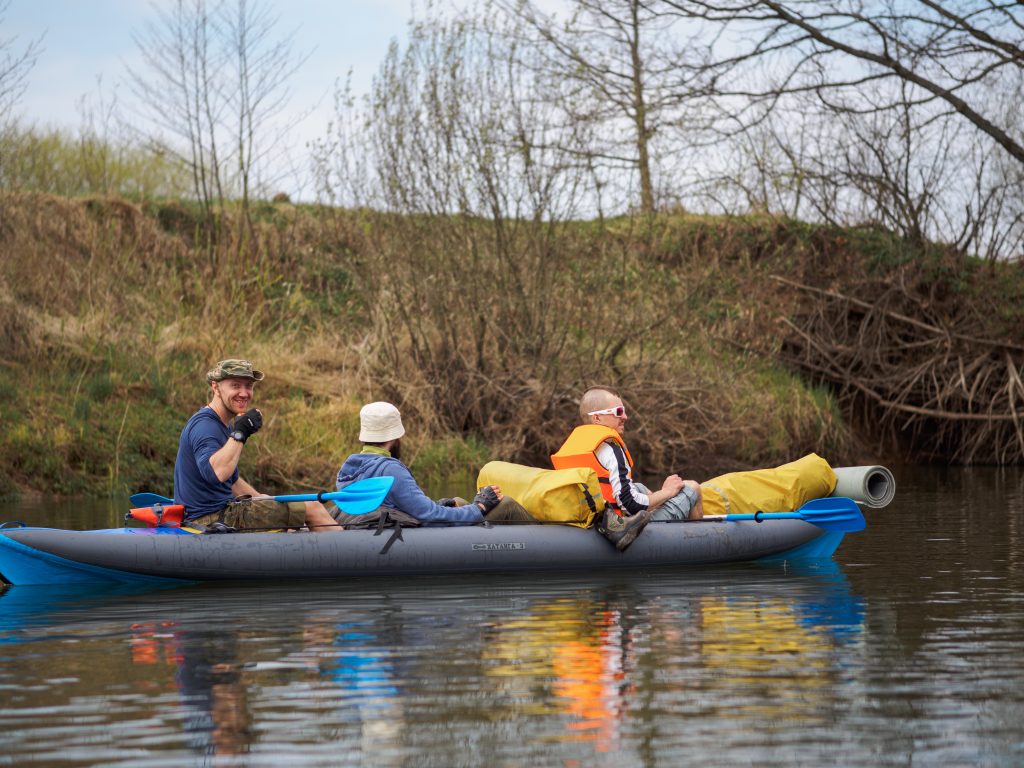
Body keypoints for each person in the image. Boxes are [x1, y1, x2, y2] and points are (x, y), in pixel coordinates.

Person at [173, 359, 340, 532]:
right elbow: (217, 473)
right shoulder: (205, 426)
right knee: (312, 508)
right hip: (209, 519)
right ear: (215, 387)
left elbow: (233, 482)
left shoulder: (222, 424)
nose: (244, 393)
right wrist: (241, 432)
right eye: (235, 386)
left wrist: (261, 498)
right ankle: (351, 554)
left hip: (222, 512)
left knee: (294, 527)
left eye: (248, 386)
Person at [551, 386, 703, 550]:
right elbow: (630, 504)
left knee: (639, 487)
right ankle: (699, 540)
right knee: (692, 487)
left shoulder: (571, 446)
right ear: (597, 418)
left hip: (586, 521)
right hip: (618, 528)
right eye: (618, 412)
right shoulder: (611, 449)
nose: (625, 416)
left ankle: (668, 510)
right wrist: (667, 492)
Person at [336, 401, 504, 524]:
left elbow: (390, 508)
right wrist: (479, 508)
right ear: (395, 437)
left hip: (377, 526)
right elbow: (430, 515)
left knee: (457, 500)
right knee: (507, 504)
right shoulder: (392, 470)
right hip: (411, 533)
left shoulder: (350, 469)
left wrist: (438, 504)